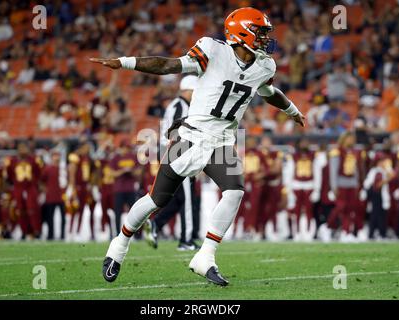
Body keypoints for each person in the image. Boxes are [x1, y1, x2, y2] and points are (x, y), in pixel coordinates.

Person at [92, 7, 305, 286]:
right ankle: (119, 244)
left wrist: (291, 110)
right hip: (191, 136)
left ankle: (205, 256)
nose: (266, 38)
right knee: (157, 200)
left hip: (223, 141)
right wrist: (126, 62)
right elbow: (169, 65)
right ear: (242, 31)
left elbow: (268, 92)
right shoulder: (212, 51)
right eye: (261, 32)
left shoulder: (265, 66)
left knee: (234, 191)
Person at [143, 75, 201, 251]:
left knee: (178, 199)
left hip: (173, 154)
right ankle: (186, 240)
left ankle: (156, 225)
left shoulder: (178, 105)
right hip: (178, 155)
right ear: (189, 90)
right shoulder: (180, 106)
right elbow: (177, 135)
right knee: (189, 198)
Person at [40, 150, 67, 240]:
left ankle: (62, 235)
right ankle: (50, 235)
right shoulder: (48, 168)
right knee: (50, 218)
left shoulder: (63, 168)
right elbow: (41, 180)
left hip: (62, 196)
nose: (57, 158)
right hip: (50, 197)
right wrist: (45, 189)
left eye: (58, 156)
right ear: (51, 157)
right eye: (55, 156)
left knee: (63, 218)